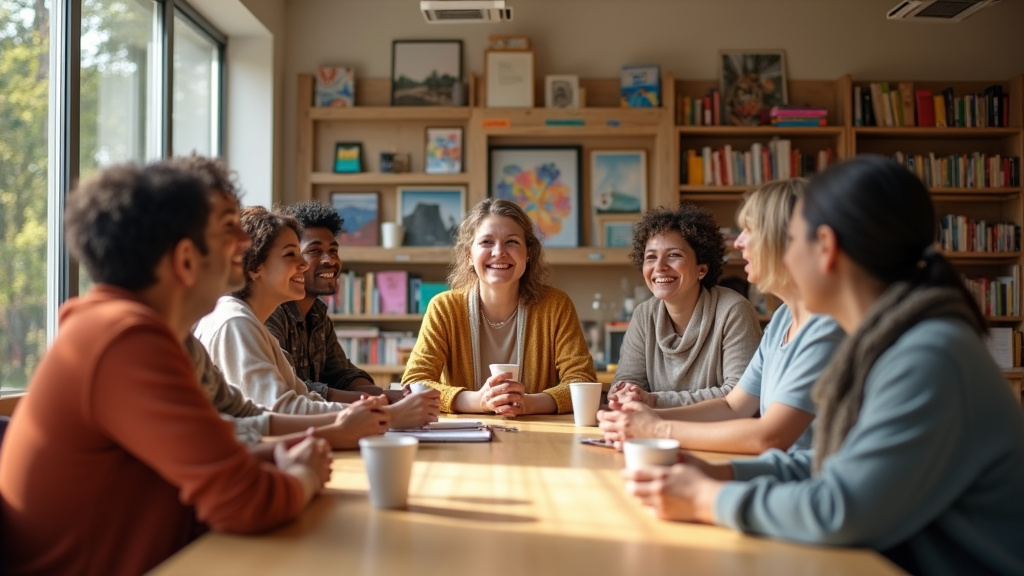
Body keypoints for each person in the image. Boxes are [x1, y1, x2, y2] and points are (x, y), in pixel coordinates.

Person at [622, 156, 1024, 575]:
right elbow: (831, 463)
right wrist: (719, 471)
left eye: (791, 240)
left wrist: (706, 498)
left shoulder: (927, 355)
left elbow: (839, 509)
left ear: (827, 249)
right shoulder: (885, 341)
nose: (776, 255)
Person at [0, 161, 332, 576]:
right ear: (186, 259)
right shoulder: (124, 340)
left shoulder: (133, 332)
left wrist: (276, 456)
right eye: (228, 227)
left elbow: (212, 460)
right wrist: (305, 474)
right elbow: (243, 502)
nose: (245, 240)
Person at [598, 180, 845, 453]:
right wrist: (639, 417)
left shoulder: (827, 324)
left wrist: (656, 426)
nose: (738, 243)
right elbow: (733, 406)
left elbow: (768, 437)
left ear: (789, 239)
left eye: (750, 230)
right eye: (651, 257)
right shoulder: (782, 320)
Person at [194, 206, 438, 428]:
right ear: (254, 266)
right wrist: (386, 413)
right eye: (292, 254)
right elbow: (281, 409)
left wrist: (380, 406)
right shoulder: (236, 322)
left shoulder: (253, 323)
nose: (303, 264)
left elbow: (305, 398)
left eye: (333, 251)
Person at [402, 198, 596, 415]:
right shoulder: (444, 308)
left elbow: (582, 381)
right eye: (486, 242)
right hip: (463, 437)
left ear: (529, 253)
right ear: (468, 254)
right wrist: (478, 401)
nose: (498, 252)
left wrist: (528, 403)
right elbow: (414, 383)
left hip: (537, 434)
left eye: (511, 242)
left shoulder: (556, 306)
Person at [605, 204, 762, 408]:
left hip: (717, 436)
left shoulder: (733, 310)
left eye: (674, 255)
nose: (659, 267)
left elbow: (739, 396)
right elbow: (627, 380)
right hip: (655, 435)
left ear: (702, 269)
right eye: (651, 257)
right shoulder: (644, 314)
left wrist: (654, 400)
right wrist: (626, 392)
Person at [266, 200, 403, 403]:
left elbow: (342, 373)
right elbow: (292, 387)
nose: (329, 260)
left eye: (333, 251)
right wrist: (378, 399)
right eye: (314, 251)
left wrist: (389, 395)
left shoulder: (318, 313)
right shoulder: (270, 312)